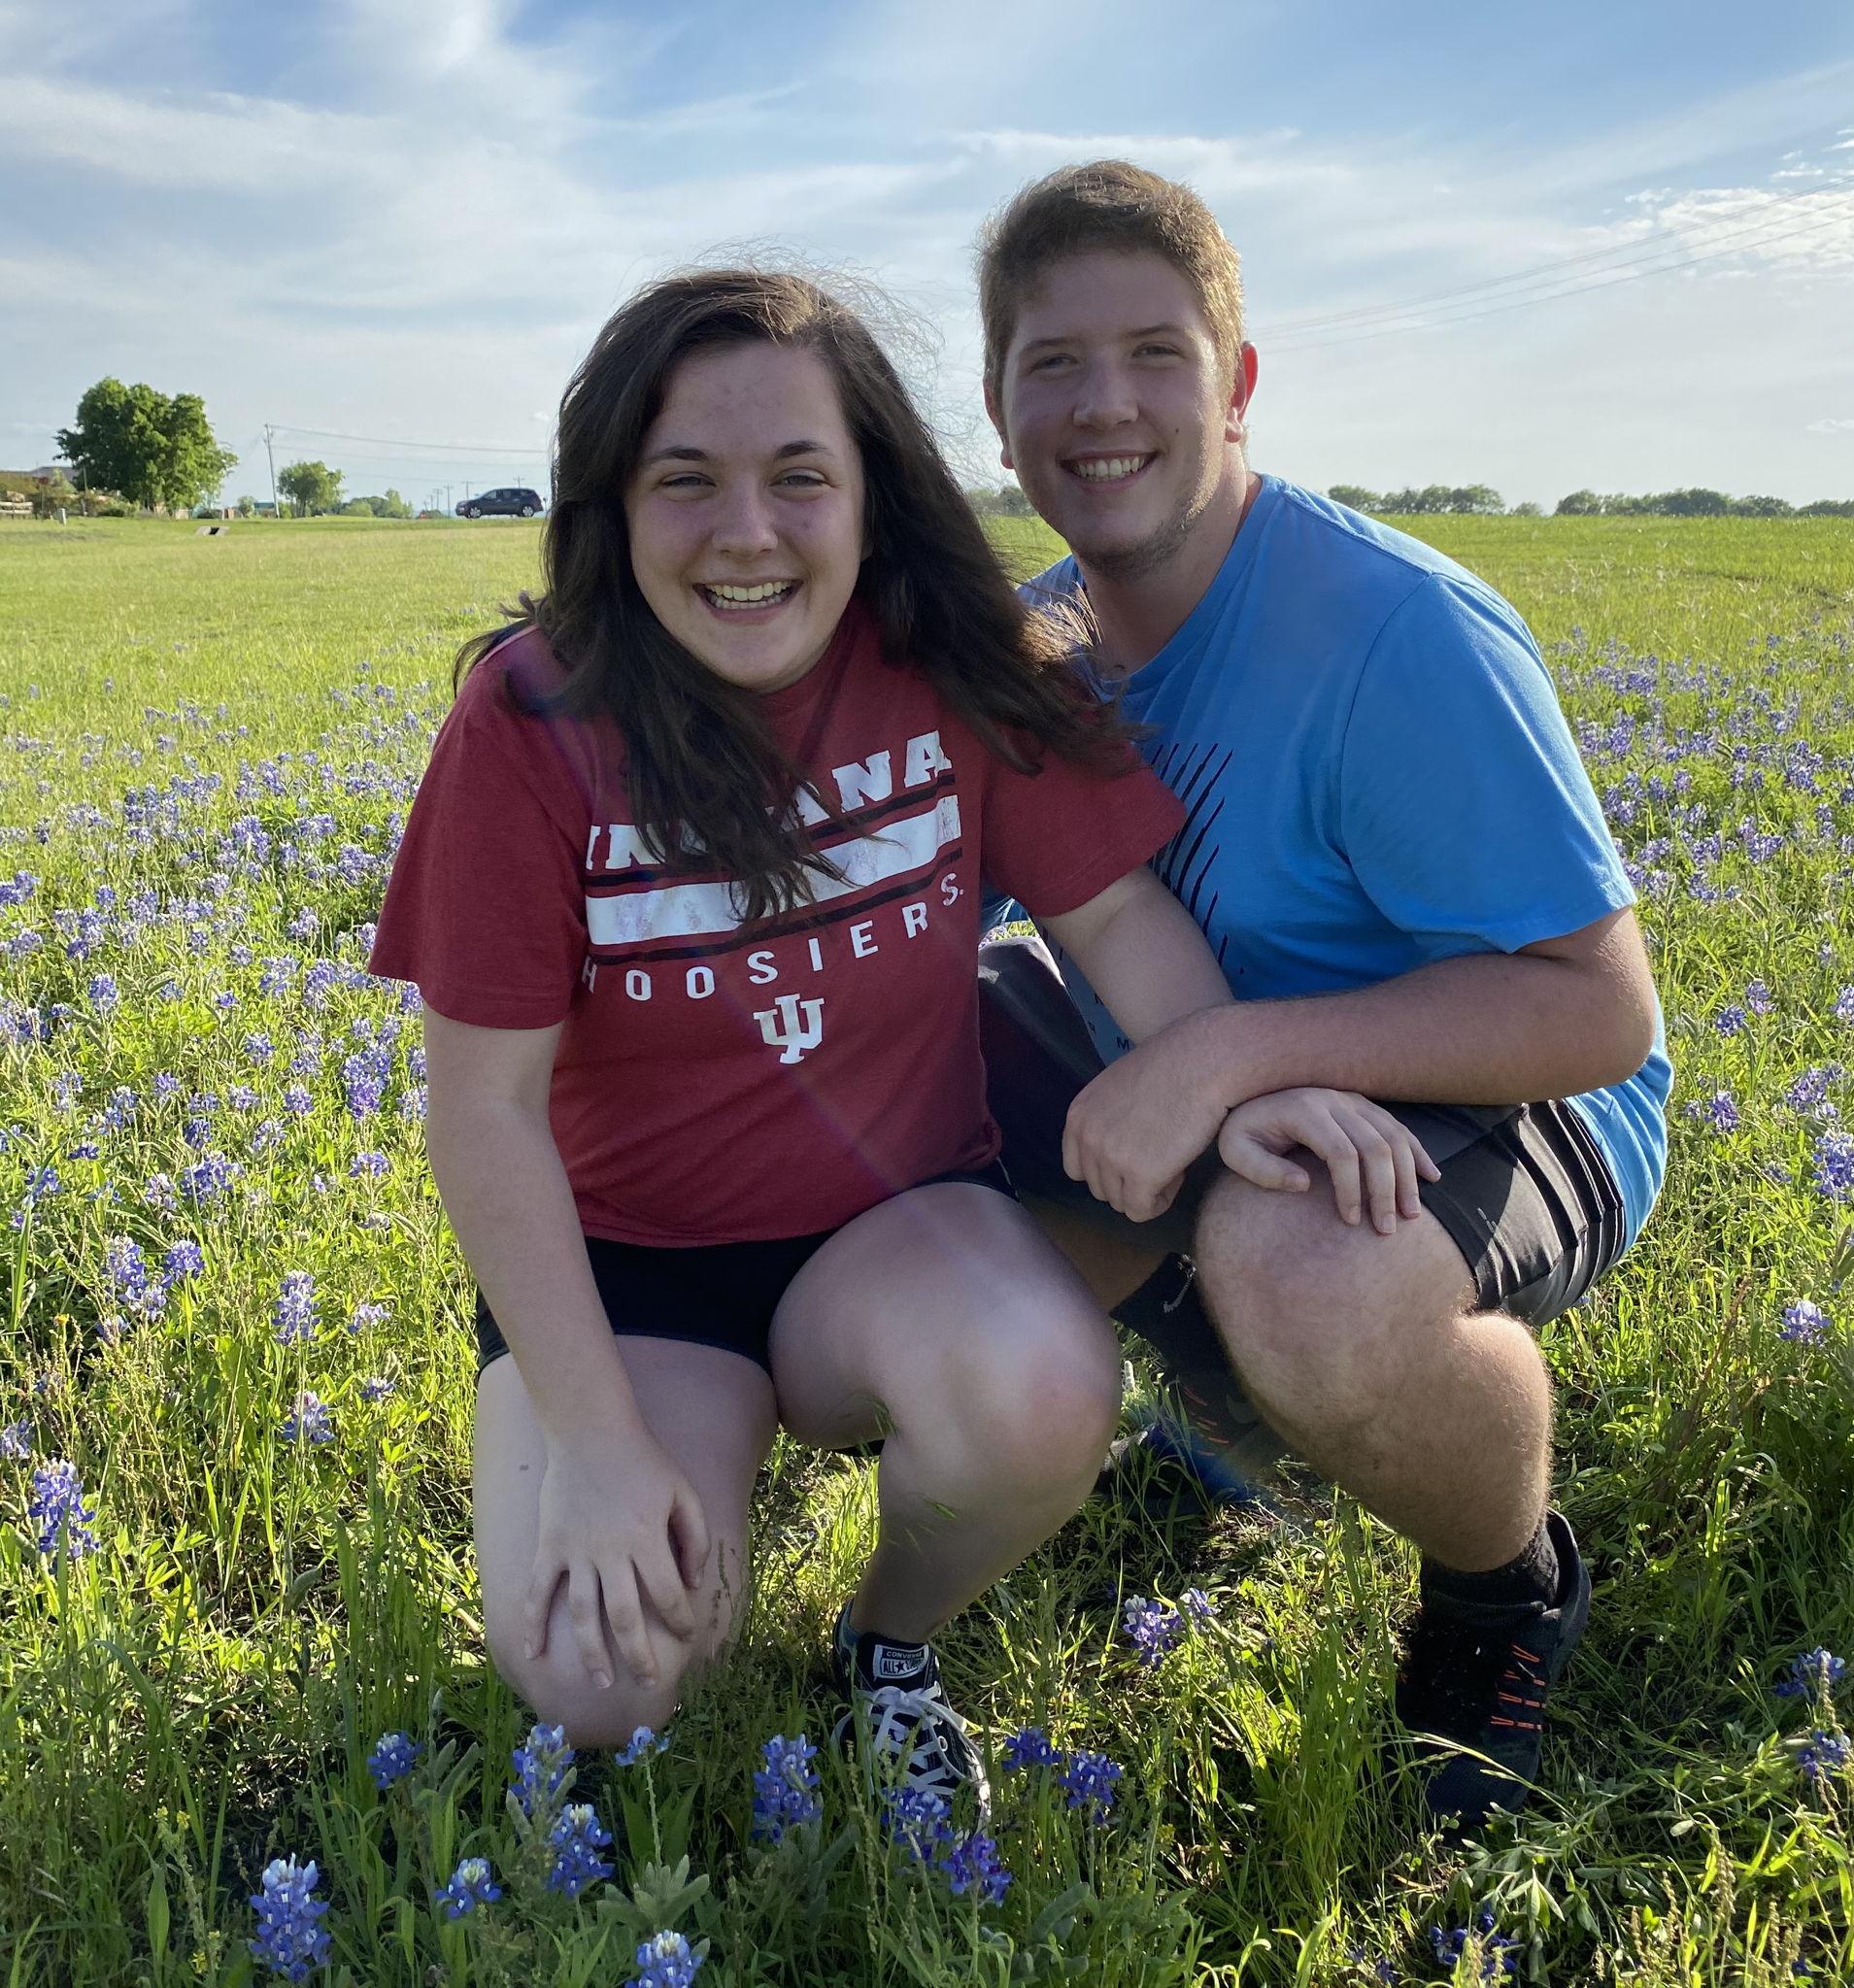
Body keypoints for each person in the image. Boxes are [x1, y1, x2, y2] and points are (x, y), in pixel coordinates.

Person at [368, 267, 1433, 1820]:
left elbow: (1119, 918)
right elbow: (484, 1115)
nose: (749, 532)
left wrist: (1239, 1078)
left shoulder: (952, 667)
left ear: (873, 494)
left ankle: (889, 1646)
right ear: (612, 506)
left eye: (802, 477)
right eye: (688, 483)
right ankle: (648, 1462)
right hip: (634, 1263)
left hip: (895, 1220)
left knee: (1034, 1388)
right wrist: (596, 1444)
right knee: (599, 1679)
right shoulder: (533, 725)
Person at [973, 162, 1670, 1830]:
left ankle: (1504, 1583)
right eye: (1052, 364)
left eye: (1156, 350)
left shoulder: (1390, 629)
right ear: (998, 414)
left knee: (1305, 1274)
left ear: (1240, 380)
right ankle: (1230, 1430)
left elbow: (1598, 1010)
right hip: (1225, 1062)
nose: (1105, 404)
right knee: (931, 1088)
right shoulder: (1039, 638)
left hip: (1508, 1083)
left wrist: (1236, 1052)